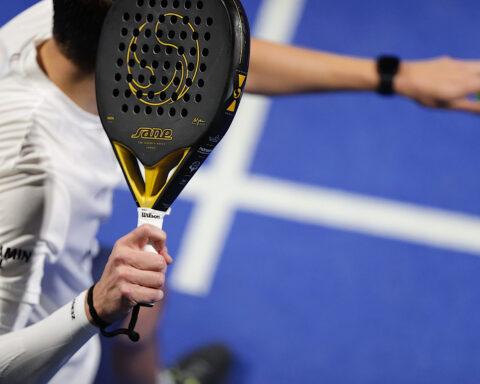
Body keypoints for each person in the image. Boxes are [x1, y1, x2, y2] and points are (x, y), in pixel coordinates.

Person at [0, 1, 479, 383]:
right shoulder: (43, 187)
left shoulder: (55, 23)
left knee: (145, 310)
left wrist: (392, 76)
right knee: (124, 305)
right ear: (139, 47)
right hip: (36, 338)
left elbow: (221, 53)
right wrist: (92, 306)